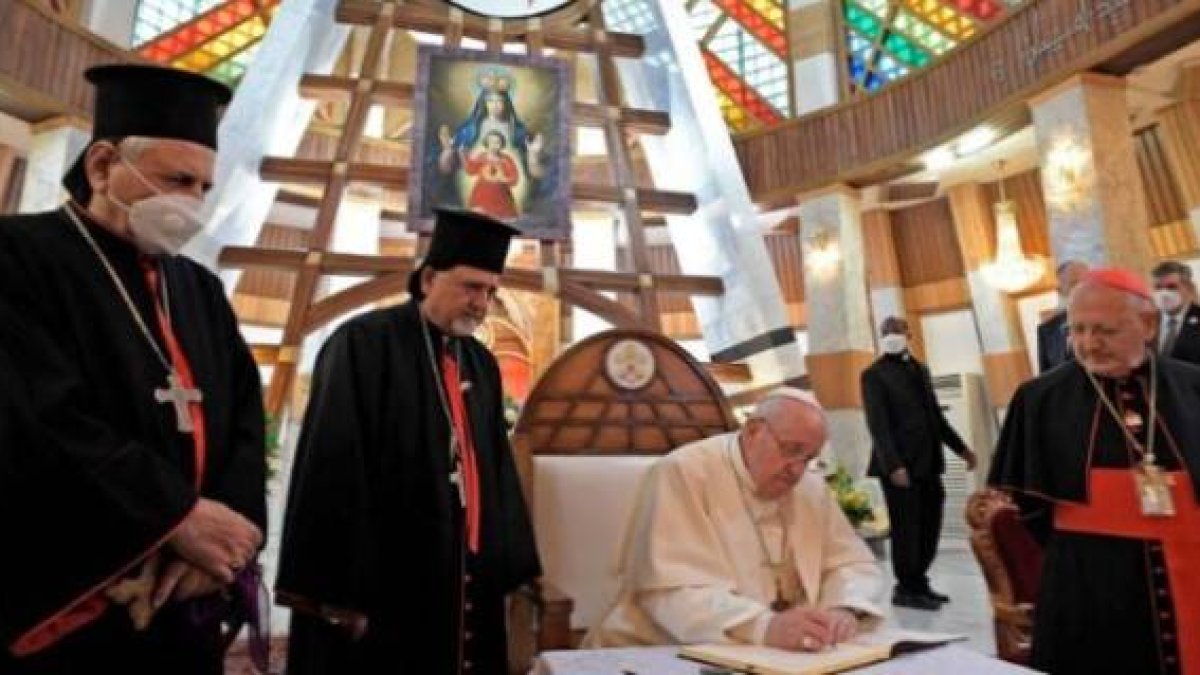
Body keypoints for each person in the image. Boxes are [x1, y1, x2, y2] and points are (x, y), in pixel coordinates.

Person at [0, 65, 266, 674]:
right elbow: (34, 416)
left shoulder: (198, 288)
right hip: (77, 600)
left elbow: (247, 420)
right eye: (178, 179)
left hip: (187, 597)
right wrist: (173, 516)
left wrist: (224, 542)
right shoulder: (18, 257)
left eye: (203, 186)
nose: (193, 202)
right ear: (101, 167)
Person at [276, 208, 541, 673]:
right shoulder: (362, 343)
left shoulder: (481, 363)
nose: (482, 302)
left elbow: (495, 469)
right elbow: (333, 464)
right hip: (384, 583)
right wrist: (339, 588)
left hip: (464, 575)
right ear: (428, 279)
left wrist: (510, 563)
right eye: (471, 286)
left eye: (491, 291)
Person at [989, 268, 1200, 674]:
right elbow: (1030, 507)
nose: (1088, 344)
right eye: (1078, 330)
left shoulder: (1193, 386)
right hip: (1089, 584)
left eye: (1104, 330)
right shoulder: (1039, 400)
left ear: (1148, 324)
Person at [584, 388, 884, 652]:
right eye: (790, 450)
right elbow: (670, 593)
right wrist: (764, 627)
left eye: (808, 458)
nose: (797, 470)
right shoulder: (683, 472)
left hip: (779, 657)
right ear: (753, 432)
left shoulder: (810, 489)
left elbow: (852, 564)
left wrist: (844, 609)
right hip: (663, 647)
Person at [861, 316, 976, 611]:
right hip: (899, 468)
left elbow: (935, 418)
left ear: (908, 335)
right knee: (907, 528)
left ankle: (918, 580)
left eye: (896, 331)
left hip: (928, 462)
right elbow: (878, 425)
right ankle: (906, 588)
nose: (891, 336)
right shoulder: (874, 375)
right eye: (886, 332)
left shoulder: (919, 369)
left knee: (930, 524)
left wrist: (961, 448)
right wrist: (894, 465)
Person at [434, 69, 545, 214]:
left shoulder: (516, 129)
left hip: (508, 186)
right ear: (483, 103)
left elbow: (534, 172)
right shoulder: (470, 128)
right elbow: (448, 168)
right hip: (474, 182)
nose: (495, 105)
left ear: (507, 104)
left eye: (500, 101)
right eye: (490, 101)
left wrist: (532, 155)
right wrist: (448, 151)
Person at [1037, 259, 1089, 372]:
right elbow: (1046, 379)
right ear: (1060, 291)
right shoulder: (1047, 331)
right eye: (1074, 284)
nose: (1083, 288)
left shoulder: (1112, 320)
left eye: (1086, 282)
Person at [1151, 260, 1200, 365]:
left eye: (1171, 287)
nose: (1164, 294)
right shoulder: (1148, 321)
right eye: (1158, 288)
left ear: (1188, 287)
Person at [463, 130, 520, 220]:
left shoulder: (506, 160)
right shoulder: (481, 157)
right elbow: (470, 171)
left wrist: (503, 179)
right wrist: (466, 158)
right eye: (491, 142)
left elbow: (514, 178)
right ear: (487, 143)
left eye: (497, 142)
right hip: (481, 196)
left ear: (502, 144)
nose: (494, 145)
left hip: (501, 197)